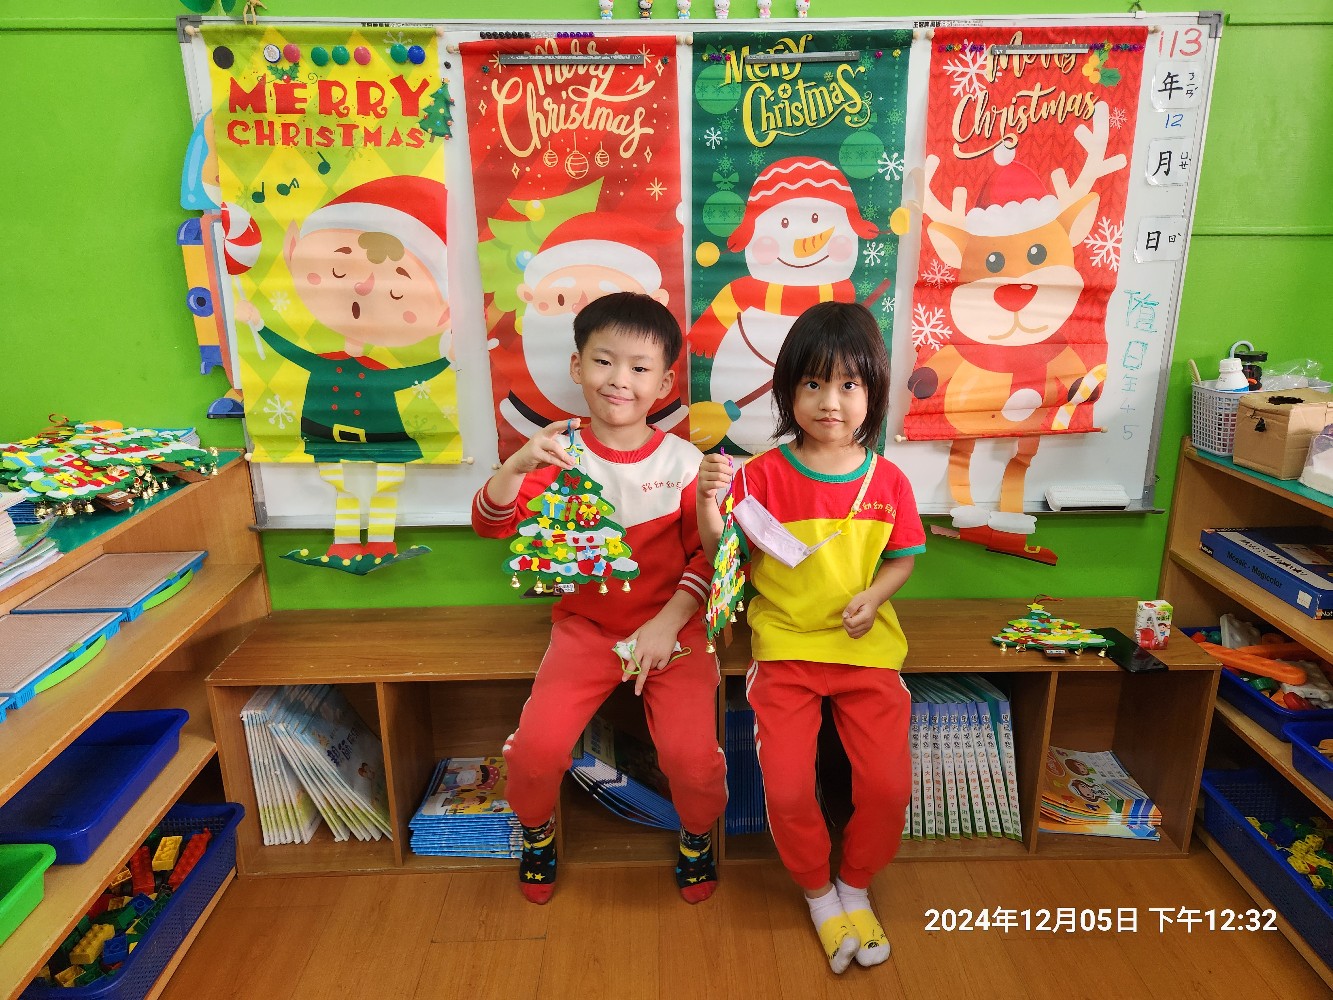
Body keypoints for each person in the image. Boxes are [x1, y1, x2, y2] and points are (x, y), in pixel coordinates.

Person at [472, 291, 727, 905]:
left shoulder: (685, 462)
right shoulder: (556, 452)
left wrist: (666, 624)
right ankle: (537, 833)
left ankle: (697, 836)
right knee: (534, 754)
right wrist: (515, 466)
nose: (620, 380)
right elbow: (490, 523)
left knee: (693, 763)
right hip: (584, 631)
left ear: (664, 383)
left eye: (639, 368)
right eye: (604, 361)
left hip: (675, 630)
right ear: (577, 366)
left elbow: (709, 560)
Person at [697, 301, 925, 973]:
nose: (830, 402)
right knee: (790, 791)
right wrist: (709, 507)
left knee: (887, 789)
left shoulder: (888, 481)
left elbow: (902, 559)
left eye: (849, 384)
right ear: (787, 391)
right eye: (813, 383)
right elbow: (724, 560)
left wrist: (873, 597)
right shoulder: (759, 476)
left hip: (866, 654)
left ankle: (855, 885)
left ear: (872, 391)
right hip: (786, 653)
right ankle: (819, 894)